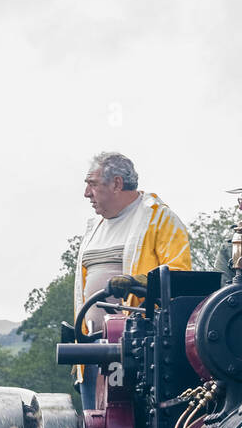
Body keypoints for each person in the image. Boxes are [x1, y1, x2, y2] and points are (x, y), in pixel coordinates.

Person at [75, 152, 191, 406]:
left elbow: (180, 277)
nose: (86, 193)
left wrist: (138, 281)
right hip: (92, 349)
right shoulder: (92, 227)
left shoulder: (160, 219)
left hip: (139, 353)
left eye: (92, 184)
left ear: (116, 183)